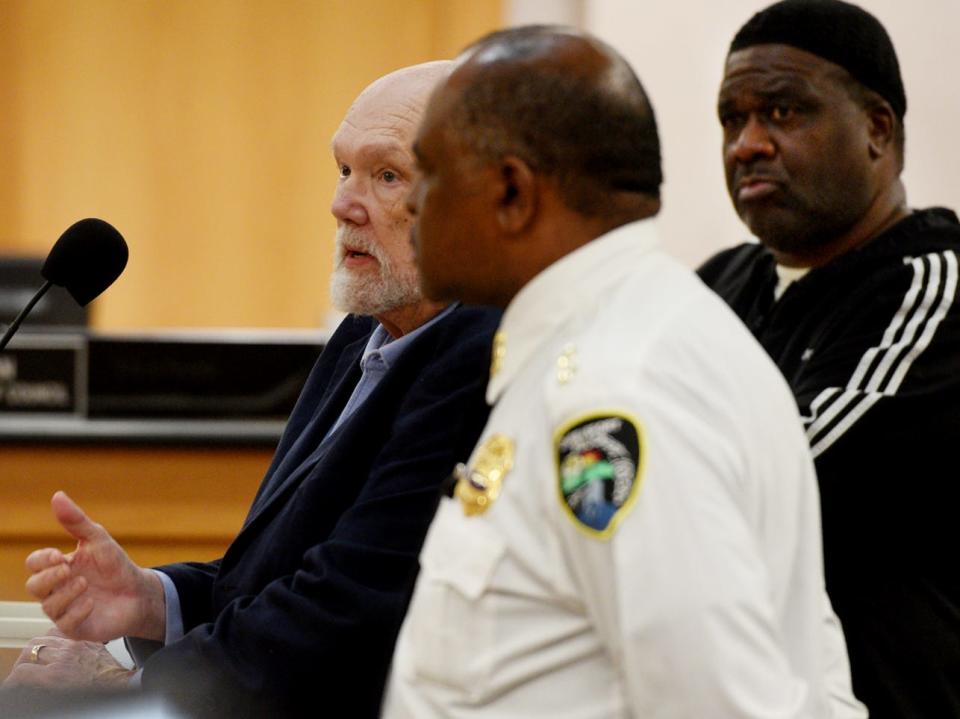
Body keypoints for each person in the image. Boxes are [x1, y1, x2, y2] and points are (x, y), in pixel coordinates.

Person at [384, 26, 865, 718]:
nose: (410, 204)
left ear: (512, 193)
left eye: (427, 172)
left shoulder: (615, 388)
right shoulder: (623, 336)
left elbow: (718, 705)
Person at [5, 61, 500, 718]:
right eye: (342, 169)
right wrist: (153, 599)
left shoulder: (477, 352)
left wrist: (125, 687)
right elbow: (281, 571)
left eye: (386, 175)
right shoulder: (364, 332)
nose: (342, 202)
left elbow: (349, 606)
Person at [698, 1, 960, 716]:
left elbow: (792, 478)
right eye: (732, 119)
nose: (747, 144)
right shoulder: (717, 284)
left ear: (878, 130)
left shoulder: (932, 288)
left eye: (782, 113)